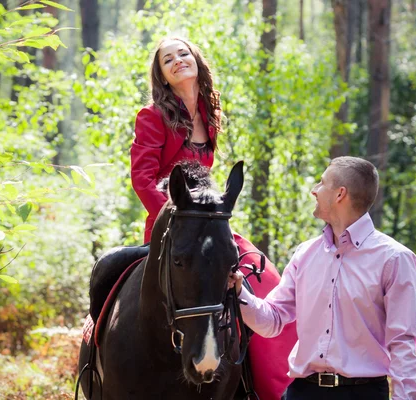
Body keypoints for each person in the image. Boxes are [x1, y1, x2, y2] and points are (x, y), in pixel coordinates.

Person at [130, 37, 298, 399]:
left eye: (183, 53)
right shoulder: (152, 116)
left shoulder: (209, 111)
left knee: (265, 277)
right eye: (167, 59)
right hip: (171, 230)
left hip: (210, 222)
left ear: (196, 60)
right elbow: (142, 179)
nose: (177, 61)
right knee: (108, 270)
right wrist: (177, 219)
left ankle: (264, 386)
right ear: (161, 74)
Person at [228, 156, 416, 400]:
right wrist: (238, 291)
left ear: (340, 194)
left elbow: (403, 343)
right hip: (302, 392)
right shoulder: (305, 254)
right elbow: (273, 320)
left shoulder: (395, 260)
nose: (314, 190)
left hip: (363, 394)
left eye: (321, 183)